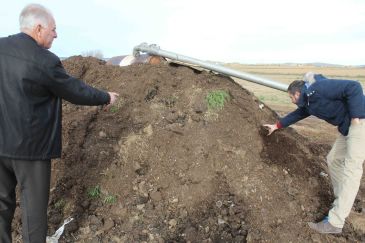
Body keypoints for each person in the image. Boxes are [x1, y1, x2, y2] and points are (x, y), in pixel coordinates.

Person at [0, 4, 119, 242]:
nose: (56, 34)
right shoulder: (44, 60)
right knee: (34, 213)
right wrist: (105, 96)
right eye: (53, 29)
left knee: (1, 206)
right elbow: (75, 90)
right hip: (30, 150)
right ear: (39, 28)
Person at [263, 72, 365, 234]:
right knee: (333, 159)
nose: (291, 101)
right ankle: (342, 201)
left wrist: (356, 117)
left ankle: (335, 222)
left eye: (291, 98)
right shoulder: (308, 102)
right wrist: (277, 125)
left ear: (297, 93)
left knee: (352, 170)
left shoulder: (319, 89)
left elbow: (354, 87)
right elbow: (298, 114)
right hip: (347, 130)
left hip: (360, 125)